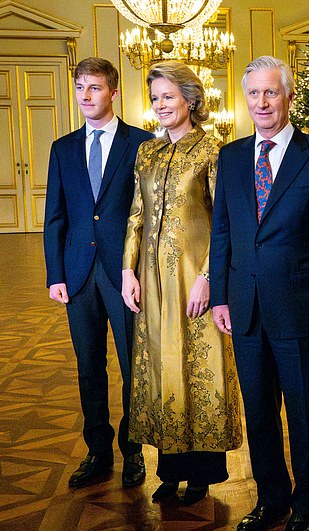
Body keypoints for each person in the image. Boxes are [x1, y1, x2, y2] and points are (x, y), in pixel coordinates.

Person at [210, 56, 309, 531]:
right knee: (259, 411)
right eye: (254, 94)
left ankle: (308, 503)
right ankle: (271, 497)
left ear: (288, 96)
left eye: (271, 93)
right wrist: (221, 296)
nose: (262, 103)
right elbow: (223, 231)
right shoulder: (230, 157)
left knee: (306, 410)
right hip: (244, 306)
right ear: (245, 98)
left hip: (302, 305)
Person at [122, 61, 242, 506]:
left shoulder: (213, 151)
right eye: (155, 98)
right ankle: (168, 471)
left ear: (190, 99)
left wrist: (209, 277)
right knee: (162, 369)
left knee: (198, 369)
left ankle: (202, 475)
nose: (160, 106)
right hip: (151, 284)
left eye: (168, 97)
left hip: (196, 281)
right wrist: (126, 271)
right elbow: (136, 214)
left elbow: (222, 221)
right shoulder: (147, 153)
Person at [44, 57, 152, 489]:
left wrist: (141, 269)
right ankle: (97, 451)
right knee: (89, 366)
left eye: (94, 88)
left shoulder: (142, 143)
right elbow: (55, 217)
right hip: (77, 275)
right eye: (80, 87)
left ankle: (133, 451)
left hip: (125, 274)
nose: (86, 96)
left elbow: (149, 214)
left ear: (114, 92)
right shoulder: (63, 147)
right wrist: (56, 274)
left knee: (132, 367)